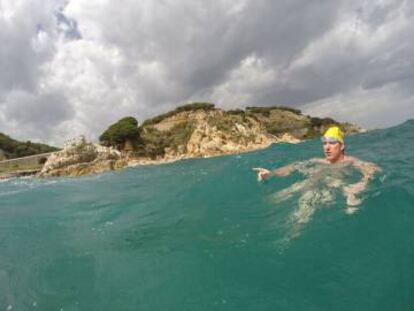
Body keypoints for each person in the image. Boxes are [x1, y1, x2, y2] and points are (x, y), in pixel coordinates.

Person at [253, 126, 380, 212]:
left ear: (341, 146)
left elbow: (372, 169)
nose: (327, 147)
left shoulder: (350, 161)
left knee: (304, 208)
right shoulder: (318, 160)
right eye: (324, 143)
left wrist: (361, 184)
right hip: (309, 184)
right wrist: (271, 173)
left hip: (331, 187)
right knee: (275, 199)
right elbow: (294, 166)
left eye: (332, 143)